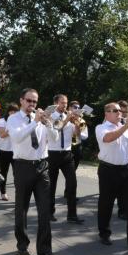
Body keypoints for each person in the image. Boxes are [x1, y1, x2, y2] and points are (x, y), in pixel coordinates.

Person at [7, 88, 58, 255]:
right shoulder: (14, 119)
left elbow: (54, 139)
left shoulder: (40, 119)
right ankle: (22, 244)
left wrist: (48, 123)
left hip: (42, 165)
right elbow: (17, 137)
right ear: (21, 101)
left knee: (45, 209)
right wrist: (35, 122)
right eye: (29, 100)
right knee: (22, 208)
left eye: (35, 101)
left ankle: (44, 248)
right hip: (23, 166)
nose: (32, 104)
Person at [95, 102, 128, 249]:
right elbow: (108, 138)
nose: (119, 113)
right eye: (115, 111)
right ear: (107, 113)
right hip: (108, 170)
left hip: (125, 170)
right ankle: (104, 234)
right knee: (106, 204)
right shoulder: (101, 127)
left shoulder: (126, 127)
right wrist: (126, 126)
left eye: (120, 111)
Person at [47, 94, 84, 224]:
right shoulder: (50, 116)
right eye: (62, 103)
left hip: (67, 154)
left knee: (72, 184)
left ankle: (72, 215)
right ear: (55, 103)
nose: (65, 105)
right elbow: (57, 128)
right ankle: (49, 212)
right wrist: (68, 119)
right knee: (51, 185)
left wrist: (77, 124)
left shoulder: (68, 116)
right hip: (52, 154)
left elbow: (77, 136)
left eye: (66, 103)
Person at [0, 103, 19, 201]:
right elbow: (2, 135)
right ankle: (3, 192)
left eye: (15, 111)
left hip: (16, 151)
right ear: (8, 112)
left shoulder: (19, 121)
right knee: (3, 172)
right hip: (4, 150)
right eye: (12, 111)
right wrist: (12, 127)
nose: (13, 113)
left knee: (17, 173)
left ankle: (18, 192)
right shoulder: (2, 121)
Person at [68, 101, 88, 171]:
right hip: (66, 147)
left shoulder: (82, 121)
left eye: (78, 108)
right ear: (69, 108)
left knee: (73, 171)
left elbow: (85, 136)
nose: (77, 109)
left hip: (76, 146)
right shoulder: (65, 118)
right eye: (75, 107)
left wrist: (78, 132)